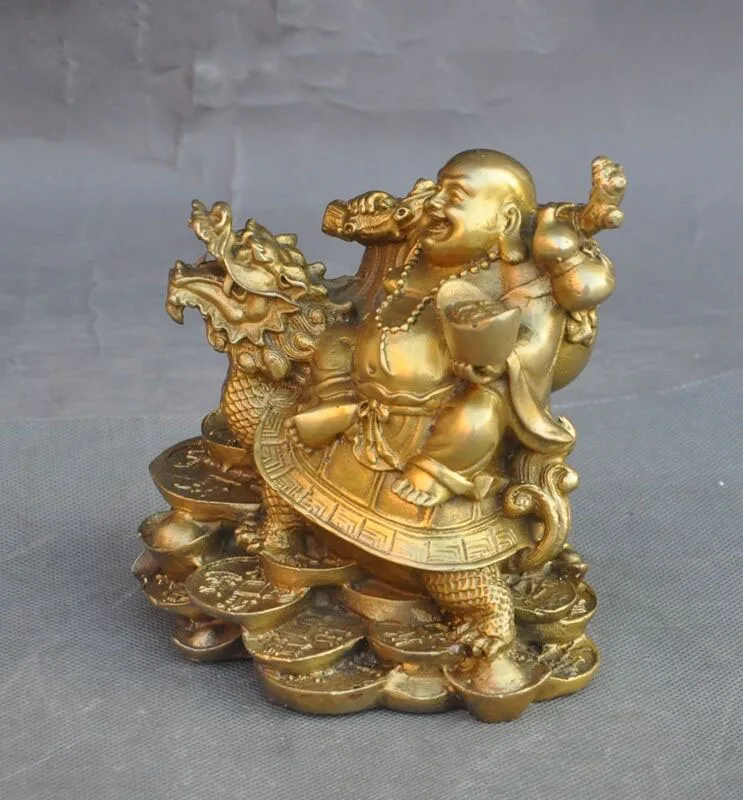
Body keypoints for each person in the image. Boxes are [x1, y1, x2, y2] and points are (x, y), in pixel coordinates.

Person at [290, 149, 617, 507]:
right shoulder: (422, 239)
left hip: (437, 402)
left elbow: (544, 329)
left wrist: (497, 360)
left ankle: (437, 470)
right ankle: (337, 404)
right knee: (336, 340)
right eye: (438, 188)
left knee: (482, 410)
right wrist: (367, 208)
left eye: (455, 196)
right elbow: (350, 220)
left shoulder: (518, 275)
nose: (435, 202)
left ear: (506, 221)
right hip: (368, 379)